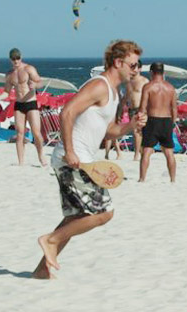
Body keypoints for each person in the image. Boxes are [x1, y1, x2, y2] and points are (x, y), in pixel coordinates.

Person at [33, 40, 146, 279]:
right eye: (134, 65)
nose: (137, 70)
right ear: (118, 63)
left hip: (80, 159)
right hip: (73, 159)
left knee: (75, 216)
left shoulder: (115, 93)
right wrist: (71, 151)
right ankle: (50, 240)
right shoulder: (99, 85)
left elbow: (109, 131)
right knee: (103, 213)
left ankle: (42, 270)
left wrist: (130, 126)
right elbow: (68, 112)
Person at [0, 48, 47, 166]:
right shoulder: (9, 74)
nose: (16, 61)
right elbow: (6, 92)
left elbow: (41, 82)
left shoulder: (29, 69)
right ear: (10, 59)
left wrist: (35, 85)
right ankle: (21, 162)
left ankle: (41, 156)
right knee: (20, 133)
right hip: (19, 104)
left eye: (17, 58)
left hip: (31, 102)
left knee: (36, 133)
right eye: (13, 59)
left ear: (21, 57)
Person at [138, 62, 177, 183]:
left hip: (152, 120)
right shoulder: (171, 88)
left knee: (147, 151)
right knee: (169, 152)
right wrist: (173, 123)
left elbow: (143, 107)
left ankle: (142, 178)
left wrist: (139, 122)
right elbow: (174, 108)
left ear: (151, 72)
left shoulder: (148, 87)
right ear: (163, 73)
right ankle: (173, 179)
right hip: (166, 120)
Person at [124, 67, 149, 161]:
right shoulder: (128, 82)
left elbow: (149, 95)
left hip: (141, 109)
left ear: (140, 69)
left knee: (137, 132)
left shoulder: (144, 81)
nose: (133, 70)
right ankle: (139, 152)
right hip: (131, 109)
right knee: (136, 132)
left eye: (135, 68)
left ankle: (137, 154)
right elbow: (126, 96)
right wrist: (120, 109)